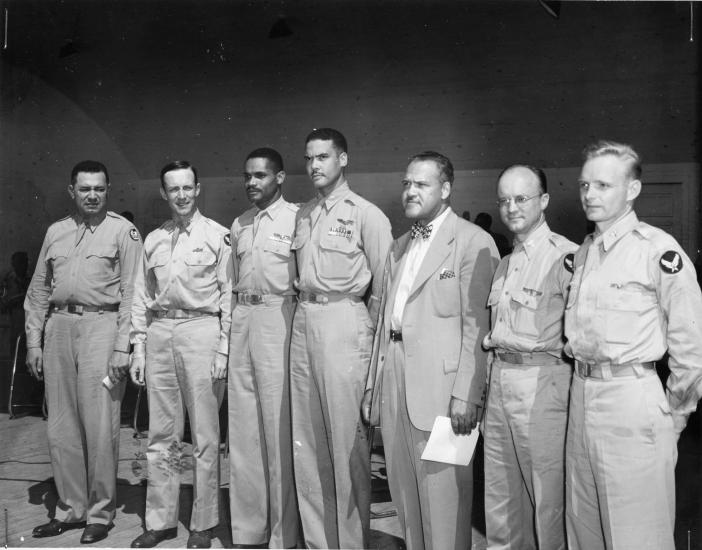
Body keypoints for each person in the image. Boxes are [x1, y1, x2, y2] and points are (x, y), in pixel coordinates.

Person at [564, 140, 702, 550]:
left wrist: (676, 413)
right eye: (585, 185)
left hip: (631, 399)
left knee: (637, 536)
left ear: (633, 190)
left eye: (603, 185)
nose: (590, 194)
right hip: (582, 395)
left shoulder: (657, 250)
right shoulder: (585, 252)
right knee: (583, 530)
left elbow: (691, 347)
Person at [362, 151, 499, 550]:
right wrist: (374, 385)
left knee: (444, 500)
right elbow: (384, 323)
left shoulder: (473, 242)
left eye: (421, 184)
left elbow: (478, 328)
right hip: (396, 376)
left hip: (444, 391)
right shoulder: (399, 246)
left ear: (446, 189)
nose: (410, 191)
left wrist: (467, 393)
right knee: (404, 494)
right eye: (406, 183)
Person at [24, 160, 142, 543]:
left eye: (100, 188)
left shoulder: (124, 232)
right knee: (61, 427)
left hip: (102, 328)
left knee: (100, 424)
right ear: (71, 191)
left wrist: (123, 346)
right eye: (85, 188)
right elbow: (39, 291)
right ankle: (71, 508)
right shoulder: (56, 232)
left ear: (109, 190)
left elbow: (132, 296)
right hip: (59, 329)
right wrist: (34, 341)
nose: (92, 195)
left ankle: (99, 513)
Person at [290, 128, 392, 549]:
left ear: (343, 160)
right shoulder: (304, 214)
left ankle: (351, 543)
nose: (315, 165)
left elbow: (384, 290)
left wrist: (366, 339)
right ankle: (318, 542)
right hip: (304, 321)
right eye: (310, 158)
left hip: (344, 322)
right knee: (308, 444)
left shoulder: (366, 214)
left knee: (347, 443)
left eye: (324, 157)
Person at [129, 160, 231, 549]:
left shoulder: (218, 237)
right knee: (163, 435)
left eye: (188, 187)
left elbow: (228, 297)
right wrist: (138, 348)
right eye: (174, 189)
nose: (182, 195)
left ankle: (203, 522)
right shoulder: (153, 239)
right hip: (159, 333)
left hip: (201, 332)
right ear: (164, 193)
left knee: (205, 435)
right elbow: (140, 296)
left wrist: (223, 348)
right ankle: (161, 519)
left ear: (198, 188)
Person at [482, 165, 576, 550]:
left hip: (542, 387)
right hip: (501, 384)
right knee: (499, 498)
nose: (511, 207)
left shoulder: (566, 257)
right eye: (504, 200)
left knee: (547, 499)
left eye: (521, 198)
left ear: (544, 201)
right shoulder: (506, 262)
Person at [227, 148, 299, 548]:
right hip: (244, 320)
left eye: (260, 176)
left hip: (278, 319)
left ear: (280, 178)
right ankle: (248, 531)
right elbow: (233, 281)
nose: (252, 183)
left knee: (277, 431)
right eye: (247, 176)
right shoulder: (240, 224)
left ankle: (282, 534)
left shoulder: (298, 220)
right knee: (242, 431)